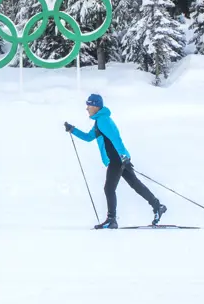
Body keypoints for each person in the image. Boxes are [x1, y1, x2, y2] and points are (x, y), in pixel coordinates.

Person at [65, 94, 165, 229]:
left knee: (109, 188)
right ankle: (157, 206)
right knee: (135, 184)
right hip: (119, 159)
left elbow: (116, 139)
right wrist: (73, 130)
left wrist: (124, 158)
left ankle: (111, 219)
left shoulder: (103, 121)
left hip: (117, 160)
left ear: (95, 106)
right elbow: (89, 137)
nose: (87, 108)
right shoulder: (100, 121)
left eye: (88, 105)